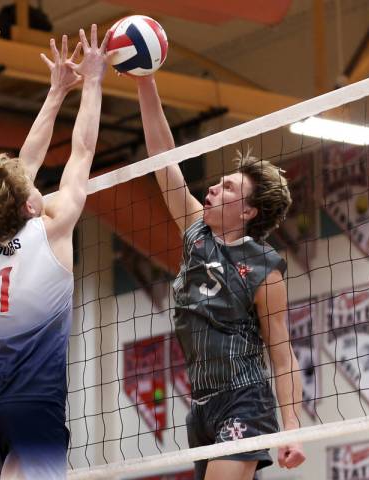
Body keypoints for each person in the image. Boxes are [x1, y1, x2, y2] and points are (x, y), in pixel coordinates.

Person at [134, 74, 306, 479]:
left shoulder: (264, 267)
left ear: (247, 212)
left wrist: (293, 429)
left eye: (227, 188)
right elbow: (162, 157)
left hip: (245, 399)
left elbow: (281, 351)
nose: (212, 187)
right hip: (201, 407)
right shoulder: (195, 231)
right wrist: (145, 81)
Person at [0, 26, 109, 479]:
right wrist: (94, 81)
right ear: (28, 204)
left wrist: (58, 90)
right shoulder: (54, 226)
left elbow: (24, 165)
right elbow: (81, 152)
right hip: (33, 407)